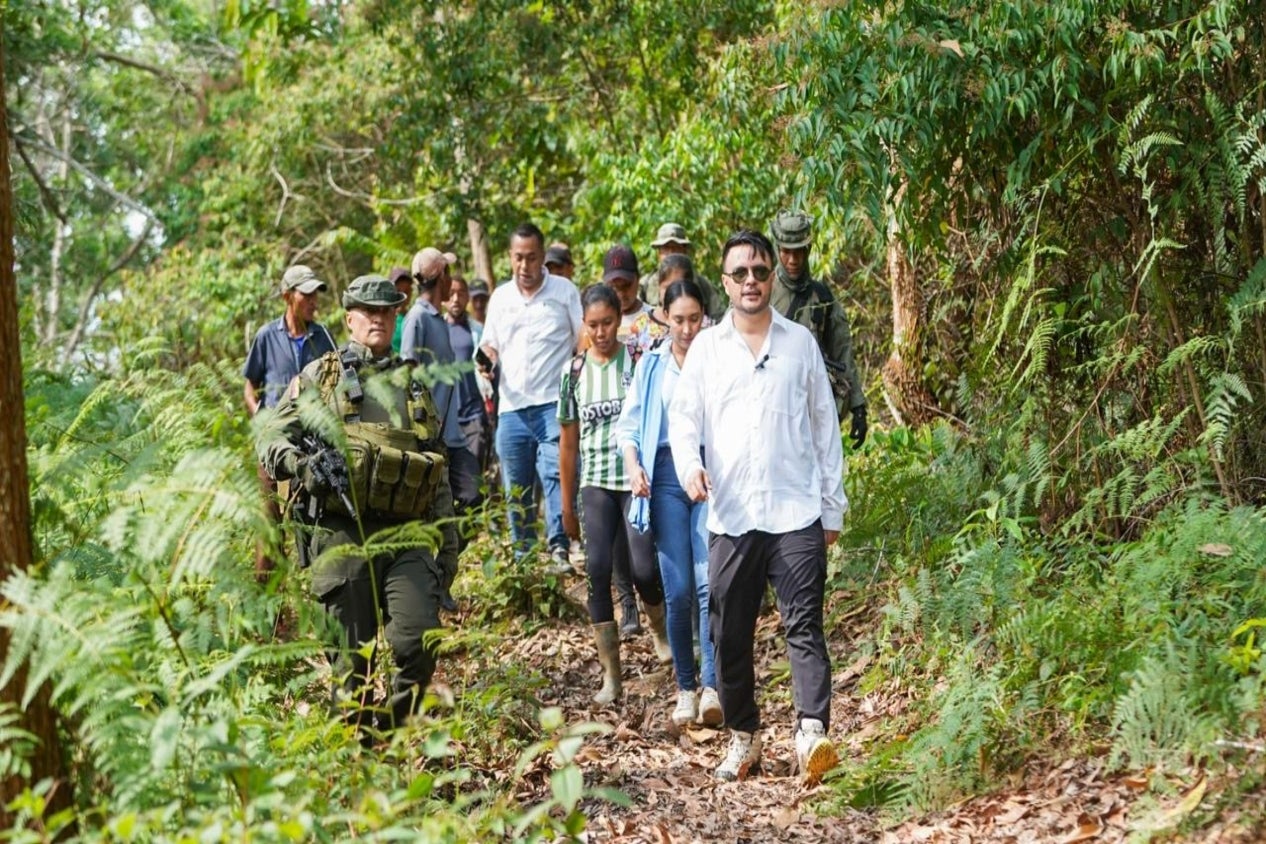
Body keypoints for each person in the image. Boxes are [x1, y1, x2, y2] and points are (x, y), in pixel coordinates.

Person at [669, 229, 845, 785]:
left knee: (804, 626)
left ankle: (811, 734)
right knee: (729, 633)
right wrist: (690, 468)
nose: (751, 280)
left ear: (773, 277)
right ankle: (745, 740)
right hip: (732, 515)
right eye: (740, 273)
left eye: (760, 271)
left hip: (796, 510)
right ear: (725, 282)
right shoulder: (707, 349)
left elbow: (825, 426)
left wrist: (832, 508)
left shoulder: (799, 344)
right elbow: (684, 421)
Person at [256, 274, 459, 738]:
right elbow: (271, 438)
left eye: (387, 311)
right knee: (354, 666)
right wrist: (303, 466)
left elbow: (438, 469)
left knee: (417, 642)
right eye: (368, 311)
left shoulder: (412, 387)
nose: (378, 318)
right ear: (349, 318)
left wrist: (448, 547)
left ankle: (391, 732)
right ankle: (359, 762)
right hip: (341, 534)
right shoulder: (320, 377)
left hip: (406, 535)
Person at [616, 278, 722, 728]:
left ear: (705, 317)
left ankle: (713, 685)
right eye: (678, 319)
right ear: (664, 317)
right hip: (663, 478)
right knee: (677, 590)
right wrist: (633, 465)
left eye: (694, 319)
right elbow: (630, 424)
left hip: (708, 474)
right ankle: (685, 687)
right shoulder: (652, 366)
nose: (686, 329)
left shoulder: (718, 359)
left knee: (707, 584)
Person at [559, 283, 671, 705]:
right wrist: (566, 504)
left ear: (618, 322)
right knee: (598, 571)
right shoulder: (572, 374)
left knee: (644, 569)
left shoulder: (636, 364)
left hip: (634, 480)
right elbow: (567, 443)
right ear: (584, 327)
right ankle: (612, 674)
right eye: (593, 325)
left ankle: (659, 628)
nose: (602, 332)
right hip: (595, 483)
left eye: (608, 323)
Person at [479, 223, 582, 568]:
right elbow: (490, 343)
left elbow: (582, 337)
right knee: (516, 485)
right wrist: (486, 360)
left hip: (554, 403)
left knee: (556, 475)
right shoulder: (501, 299)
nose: (525, 266)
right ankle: (522, 557)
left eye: (532, 258)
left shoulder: (564, 291)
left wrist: (577, 378)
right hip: (511, 408)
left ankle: (558, 548)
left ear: (543, 258)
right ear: (510, 258)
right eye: (518, 258)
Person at [400, 248, 484, 607]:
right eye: (448, 271)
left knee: (473, 500)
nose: (452, 278)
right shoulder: (417, 318)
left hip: (455, 434)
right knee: (438, 517)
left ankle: (439, 577)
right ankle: (436, 587)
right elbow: (407, 375)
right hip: (431, 440)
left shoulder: (441, 319)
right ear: (439, 276)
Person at [243, 264, 337, 579]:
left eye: (315, 294)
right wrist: (258, 415)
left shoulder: (323, 336)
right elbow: (249, 384)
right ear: (288, 296)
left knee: (315, 523)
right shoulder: (267, 336)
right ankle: (271, 615)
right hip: (273, 445)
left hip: (312, 446)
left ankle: (319, 596)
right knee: (270, 527)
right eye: (306, 294)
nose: (313, 301)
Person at [769, 211, 868, 447]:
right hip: (771, 409)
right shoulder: (760, 292)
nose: (793, 260)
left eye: (799, 251)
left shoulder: (821, 297)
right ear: (777, 249)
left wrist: (858, 406)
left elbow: (842, 351)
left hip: (813, 408)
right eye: (786, 251)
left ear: (808, 250)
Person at [445, 276, 491, 473]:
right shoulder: (435, 329)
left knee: (475, 474)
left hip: (474, 414)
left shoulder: (479, 331)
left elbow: (489, 365)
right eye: (451, 293)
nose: (456, 298)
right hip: (446, 418)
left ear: (467, 298)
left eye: (461, 293)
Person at [637, 223, 726, 321]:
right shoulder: (646, 284)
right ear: (659, 253)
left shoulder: (703, 285)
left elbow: (719, 318)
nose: (671, 253)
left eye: (676, 248)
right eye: (666, 249)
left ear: (684, 251)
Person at [388, 266, 413, 354]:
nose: (403, 296)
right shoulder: (383, 318)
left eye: (406, 291)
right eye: (398, 291)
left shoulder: (415, 318)